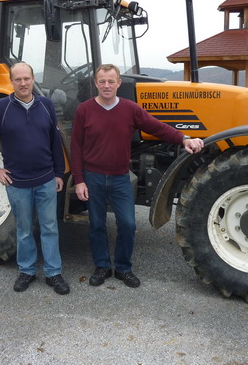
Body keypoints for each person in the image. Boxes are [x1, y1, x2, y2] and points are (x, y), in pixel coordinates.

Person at [70, 64, 204, 288]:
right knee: (96, 224)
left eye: (111, 81)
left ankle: (123, 268)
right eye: (102, 81)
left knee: (128, 224)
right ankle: (102, 266)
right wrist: (79, 180)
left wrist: (184, 139)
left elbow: (158, 127)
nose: (106, 85)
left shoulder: (130, 109)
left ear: (118, 83)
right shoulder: (84, 110)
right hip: (92, 177)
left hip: (120, 177)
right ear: (95, 83)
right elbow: (76, 147)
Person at [0, 62, 69, 295]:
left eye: (27, 78)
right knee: (24, 229)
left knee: (50, 228)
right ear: (12, 82)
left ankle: (53, 273)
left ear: (33, 79)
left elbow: (55, 142)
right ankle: (26, 271)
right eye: (18, 79)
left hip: (46, 179)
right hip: (17, 183)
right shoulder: (0, 108)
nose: (23, 83)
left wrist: (58, 173)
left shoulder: (46, 105)